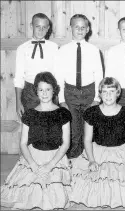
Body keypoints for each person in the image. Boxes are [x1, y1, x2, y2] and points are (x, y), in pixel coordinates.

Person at [1, 72, 72, 210]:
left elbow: (66, 143)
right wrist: (33, 164)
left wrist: (50, 165)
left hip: (55, 157)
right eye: (41, 90)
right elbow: (23, 143)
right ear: (36, 91)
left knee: (53, 195)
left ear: (54, 90)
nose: (44, 93)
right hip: (33, 156)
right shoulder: (30, 114)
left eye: (48, 89)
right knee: (25, 192)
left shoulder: (63, 113)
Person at [69, 77, 125, 208]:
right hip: (98, 152)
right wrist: (91, 160)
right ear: (99, 93)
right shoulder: (92, 112)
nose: (108, 95)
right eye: (104, 92)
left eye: (112, 91)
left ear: (118, 93)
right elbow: (87, 139)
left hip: (119, 153)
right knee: (91, 183)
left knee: (121, 185)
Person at [54, 14, 104, 159]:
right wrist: (62, 100)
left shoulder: (94, 50)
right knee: (74, 129)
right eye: (77, 27)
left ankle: (89, 159)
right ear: (71, 28)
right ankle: (74, 159)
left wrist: (97, 98)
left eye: (83, 27)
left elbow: (98, 74)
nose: (80, 30)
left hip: (89, 92)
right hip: (70, 93)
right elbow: (59, 77)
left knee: (89, 128)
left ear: (88, 29)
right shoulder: (62, 50)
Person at [14, 13, 58, 118]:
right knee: (30, 126)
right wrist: (18, 102)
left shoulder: (54, 47)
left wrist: (57, 98)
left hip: (49, 91)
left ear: (48, 29)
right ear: (31, 26)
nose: (41, 30)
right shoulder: (22, 48)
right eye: (38, 26)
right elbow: (19, 77)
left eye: (44, 27)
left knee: (50, 126)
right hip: (29, 93)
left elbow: (57, 74)